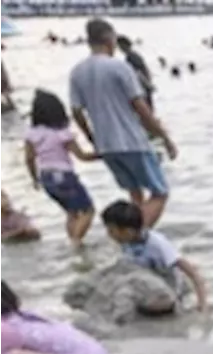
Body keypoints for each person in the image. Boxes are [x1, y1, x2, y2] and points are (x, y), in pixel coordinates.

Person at [69, 18, 177, 229]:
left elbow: (76, 111)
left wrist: (92, 137)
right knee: (160, 192)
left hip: (107, 145)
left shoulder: (77, 72)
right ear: (110, 39)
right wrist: (165, 137)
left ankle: (130, 236)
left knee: (135, 194)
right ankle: (136, 237)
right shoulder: (119, 67)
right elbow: (141, 107)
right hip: (131, 141)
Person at [102, 200, 209, 314]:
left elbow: (193, 273)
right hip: (144, 285)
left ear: (128, 231)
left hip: (166, 293)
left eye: (111, 230)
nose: (108, 234)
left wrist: (203, 306)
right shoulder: (127, 242)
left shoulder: (158, 245)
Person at [24, 90, 99, 248]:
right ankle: (76, 242)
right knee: (88, 211)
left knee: (71, 213)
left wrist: (34, 178)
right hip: (64, 176)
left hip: (46, 178)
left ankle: (75, 243)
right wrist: (103, 155)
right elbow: (82, 156)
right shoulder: (63, 134)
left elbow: (29, 159)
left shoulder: (32, 134)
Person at [116, 36, 155, 110]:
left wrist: (147, 85)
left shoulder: (131, 57)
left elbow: (138, 72)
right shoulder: (134, 55)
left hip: (142, 86)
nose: (119, 48)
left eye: (120, 46)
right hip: (144, 85)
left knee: (146, 109)